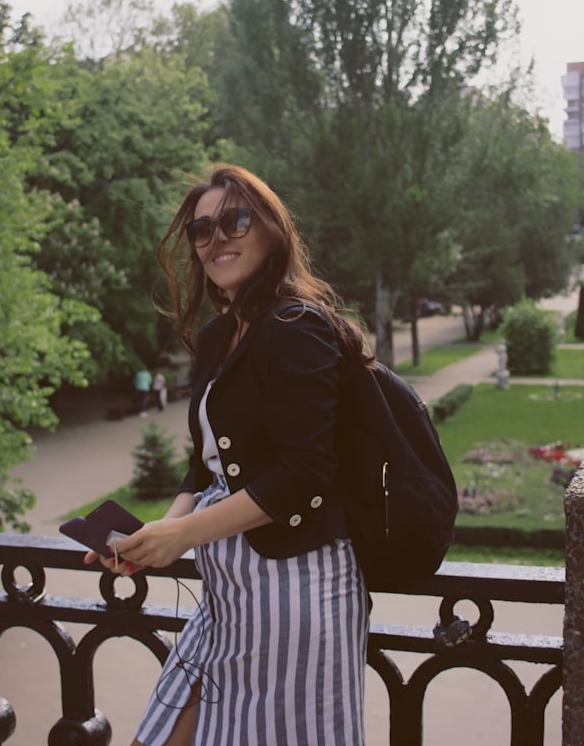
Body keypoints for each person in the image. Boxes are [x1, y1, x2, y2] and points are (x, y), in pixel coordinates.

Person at [84, 164, 373, 745]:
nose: (218, 240)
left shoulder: (298, 325)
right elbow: (204, 463)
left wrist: (186, 536)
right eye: (202, 229)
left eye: (235, 221)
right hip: (228, 594)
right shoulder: (220, 335)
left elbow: (306, 471)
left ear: (269, 229)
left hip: (297, 593)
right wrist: (162, 531)